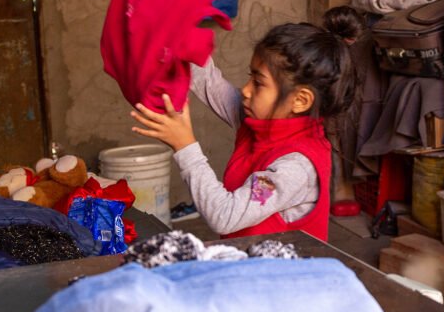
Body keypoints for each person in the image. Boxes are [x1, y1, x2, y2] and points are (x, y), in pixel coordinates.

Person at [131, 20, 355, 242]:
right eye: (251, 77)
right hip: (248, 260)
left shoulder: (294, 167)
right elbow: (210, 83)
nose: (246, 90)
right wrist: (183, 40)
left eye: (258, 83)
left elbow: (225, 216)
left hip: (281, 275)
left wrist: (185, 146)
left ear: (300, 100)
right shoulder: (258, 119)